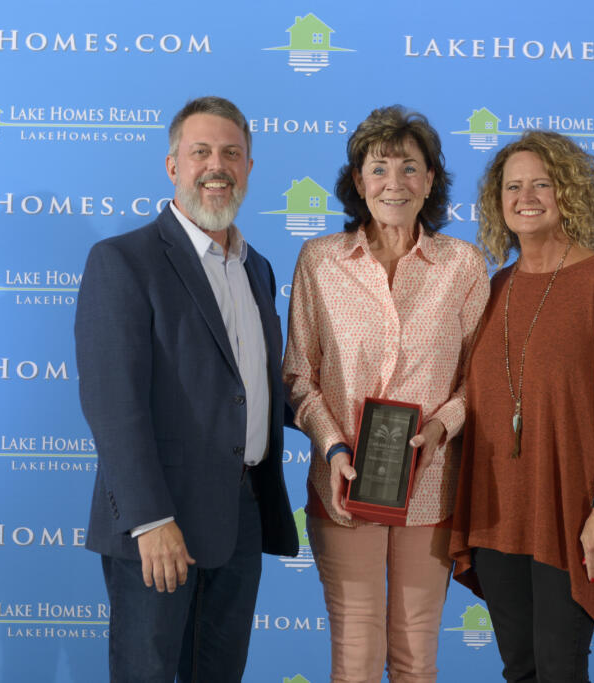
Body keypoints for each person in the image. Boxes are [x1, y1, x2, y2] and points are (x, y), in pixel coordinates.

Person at [74, 96, 298, 683]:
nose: (216, 165)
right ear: (173, 165)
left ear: (250, 167)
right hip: (161, 521)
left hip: (242, 513)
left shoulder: (259, 269)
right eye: (200, 152)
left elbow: (255, 388)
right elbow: (112, 403)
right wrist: (150, 521)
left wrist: (348, 420)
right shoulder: (124, 261)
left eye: (231, 153)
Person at [283, 105, 489, 682]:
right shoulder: (320, 261)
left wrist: (442, 426)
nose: (393, 183)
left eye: (409, 168)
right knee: (355, 658)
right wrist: (333, 447)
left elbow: (481, 382)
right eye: (378, 168)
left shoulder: (463, 266)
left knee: (416, 659)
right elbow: (299, 374)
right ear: (358, 183)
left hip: (431, 489)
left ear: (430, 181)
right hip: (342, 488)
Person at [449, 130, 594, 682]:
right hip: (496, 518)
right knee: (520, 669)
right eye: (513, 186)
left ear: (568, 192)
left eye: (541, 183)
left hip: (569, 514)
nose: (526, 196)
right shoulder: (495, 288)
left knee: (561, 669)